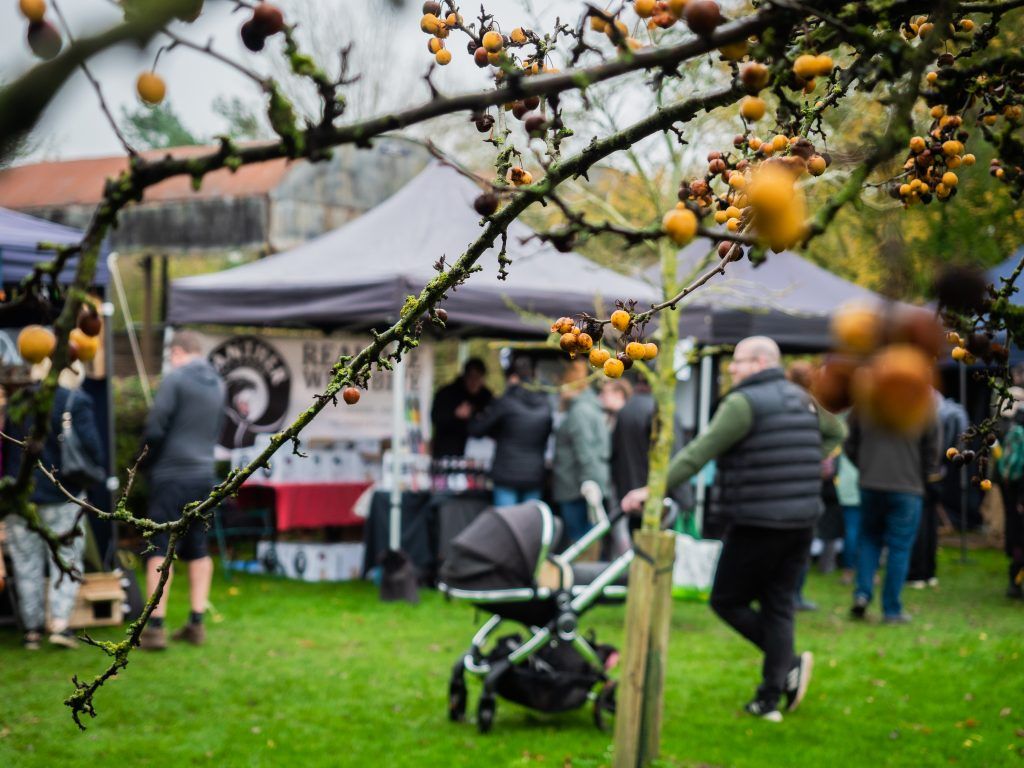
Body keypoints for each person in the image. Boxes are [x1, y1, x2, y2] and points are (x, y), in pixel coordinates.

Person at [623, 336, 846, 721]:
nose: (732, 368)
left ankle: (786, 664)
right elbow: (836, 434)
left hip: (757, 521)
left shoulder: (743, 403)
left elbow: (698, 453)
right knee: (778, 606)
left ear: (759, 363)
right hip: (801, 520)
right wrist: (803, 458)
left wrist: (652, 490)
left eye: (739, 362)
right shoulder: (803, 399)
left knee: (726, 600)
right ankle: (769, 697)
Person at [2, 361, 104, 650]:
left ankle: (31, 630)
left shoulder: (19, 401)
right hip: (64, 494)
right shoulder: (75, 400)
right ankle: (60, 624)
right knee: (66, 557)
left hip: (22, 496)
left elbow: (7, 448)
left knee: (25, 562)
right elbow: (93, 447)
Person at [140, 331, 226, 650]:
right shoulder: (219, 383)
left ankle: (155, 628)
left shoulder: (175, 379)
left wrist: (143, 462)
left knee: (159, 547)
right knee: (198, 549)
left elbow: (156, 425)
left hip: (170, 474)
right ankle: (196, 622)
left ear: (177, 352)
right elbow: (217, 430)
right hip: (204, 475)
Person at [845, 402, 941, 624]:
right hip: (907, 487)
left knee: (869, 540)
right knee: (899, 547)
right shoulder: (922, 406)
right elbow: (932, 450)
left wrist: (866, 468)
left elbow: (850, 443)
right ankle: (891, 609)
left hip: (871, 484)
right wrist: (922, 476)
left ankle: (862, 594)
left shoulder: (865, 404)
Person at [468, 355, 552, 507]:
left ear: (513, 377)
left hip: (506, 474)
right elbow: (546, 436)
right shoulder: (545, 404)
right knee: (530, 524)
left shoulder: (506, 401)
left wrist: (472, 415)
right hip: (534, 474)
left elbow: (478, 429)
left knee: (506, 525)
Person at [553, 361, 611, 544]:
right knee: (589, 540)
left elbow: (584, 451)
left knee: (580, 542)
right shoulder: (590, 406)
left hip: (576, 487)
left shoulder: (580, 412)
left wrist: (589, 483)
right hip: (585, 484)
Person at [430, 358, 493, 459]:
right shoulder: (447, 393)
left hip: (478, 454)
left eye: (478, 378)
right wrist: (455, 414)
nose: (474, 382)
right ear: (465, 376)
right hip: (448, 452)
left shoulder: (486, 396)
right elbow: (435, 417)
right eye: (472, 377)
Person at [995, 388, 1024, 599]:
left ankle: (1014, 582)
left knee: (1016, 535)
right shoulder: (1014, 426)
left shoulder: (1004, 424)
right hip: (1018, 491)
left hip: (1011, 488)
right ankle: (1015, 581)